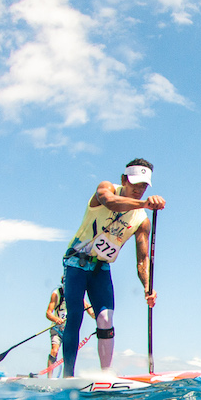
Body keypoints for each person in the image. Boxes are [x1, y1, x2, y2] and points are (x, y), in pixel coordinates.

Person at [60, 158, 162, 377]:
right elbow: (111, 203)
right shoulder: (105, 189)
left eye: (144, 186)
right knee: (75, 316)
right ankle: (67, 375)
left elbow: (142, 260)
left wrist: (147, 287)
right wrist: (145, 203)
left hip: (101, 269)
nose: (139, 190)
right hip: (76, 263)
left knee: (105, 319)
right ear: (124, 179)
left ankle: (105, 375)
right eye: (135, 184)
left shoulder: (142, 220)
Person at [46, 282, 94, 377]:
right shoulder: (56, 294)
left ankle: (67, 376)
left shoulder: (76, 294)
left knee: (69, 354)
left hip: (69, 329)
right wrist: (56, 319)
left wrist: (96, 316)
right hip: (57, 328)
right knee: (54, 351)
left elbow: (88, 308)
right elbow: (48, 313)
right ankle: (49, 378)